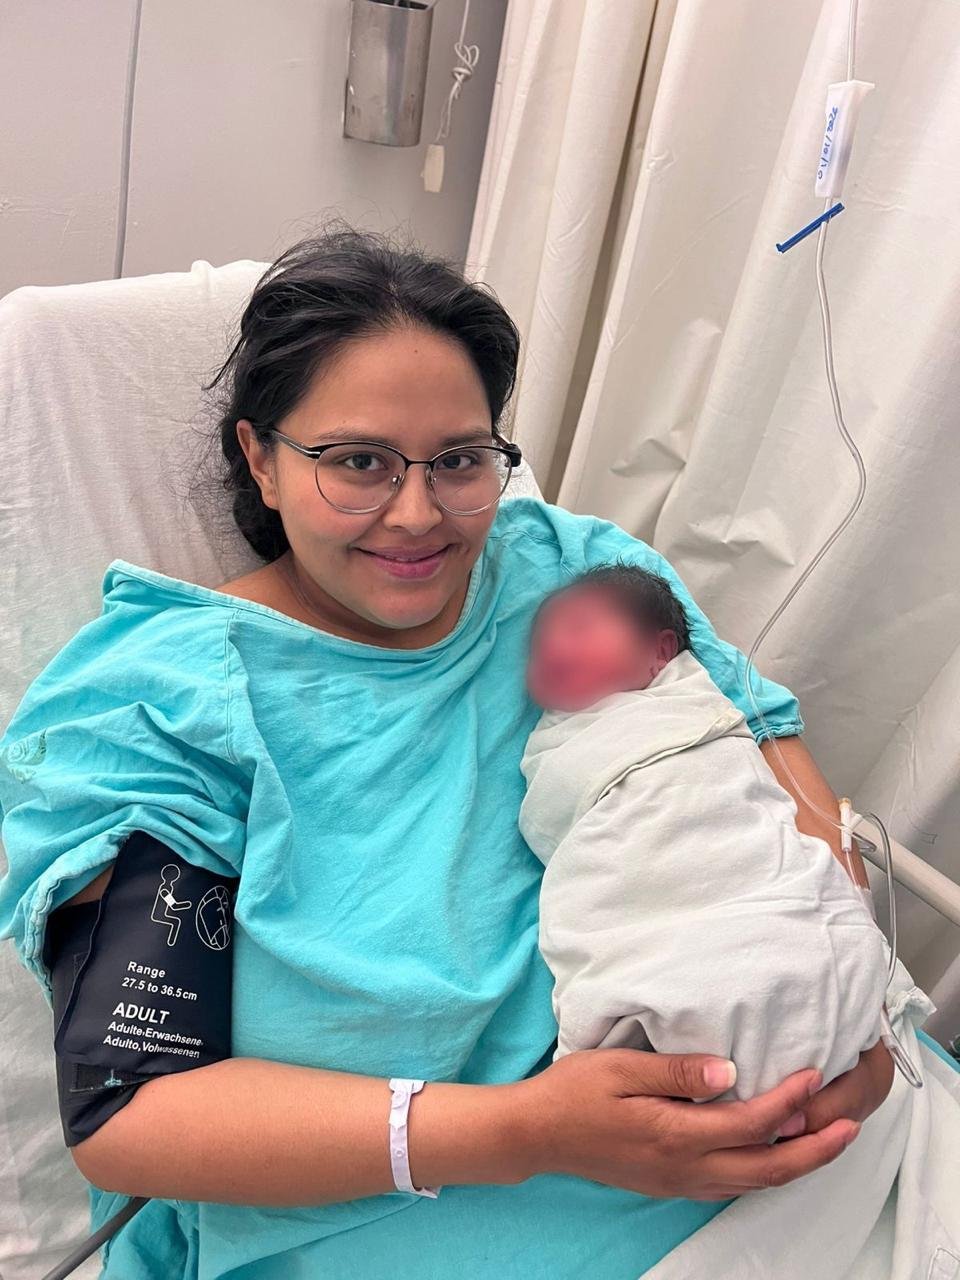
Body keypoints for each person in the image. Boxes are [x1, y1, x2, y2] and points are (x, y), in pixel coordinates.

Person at [0, 226, 894, 1280]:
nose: (419, 515)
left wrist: (857, 1026)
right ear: (262, 459)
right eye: (359, 462)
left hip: (794, 1141)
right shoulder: (163, 701)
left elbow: (782, 793)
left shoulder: (577, 577)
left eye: (461, 461)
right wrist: (530, 1131)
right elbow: (132, 1110)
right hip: (393, 1220)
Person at [520, 563, 890, 1099]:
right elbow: (556, 825)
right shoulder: (553, 743)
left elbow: (743, 798)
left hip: (739, 866)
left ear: (660, 652)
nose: (553, 647)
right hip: (644, 889)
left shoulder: (692, 708)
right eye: (537, 647)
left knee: (810, 938)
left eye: (579, 627)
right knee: (665, 973)